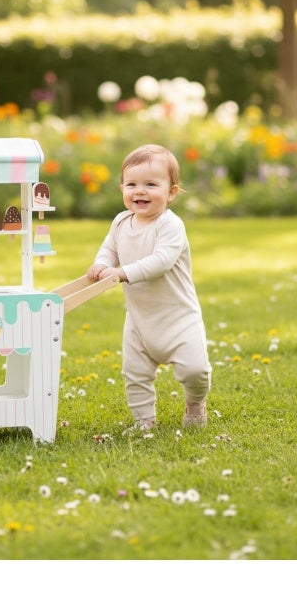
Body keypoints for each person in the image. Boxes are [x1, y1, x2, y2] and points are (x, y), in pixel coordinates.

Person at [87, 144, 211, 433]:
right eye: (131, 184)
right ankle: (144, 421)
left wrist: (121, 273)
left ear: (171, 192)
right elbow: (110, 249)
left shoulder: (170, 225)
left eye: (151, 184)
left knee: (195, 370)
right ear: (122, 188)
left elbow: (160, 262)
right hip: (140, 320)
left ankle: (195, 402)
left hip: (178, 318)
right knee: (135, 373)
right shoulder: (121, 222)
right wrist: (101, 263)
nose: (139, 191)